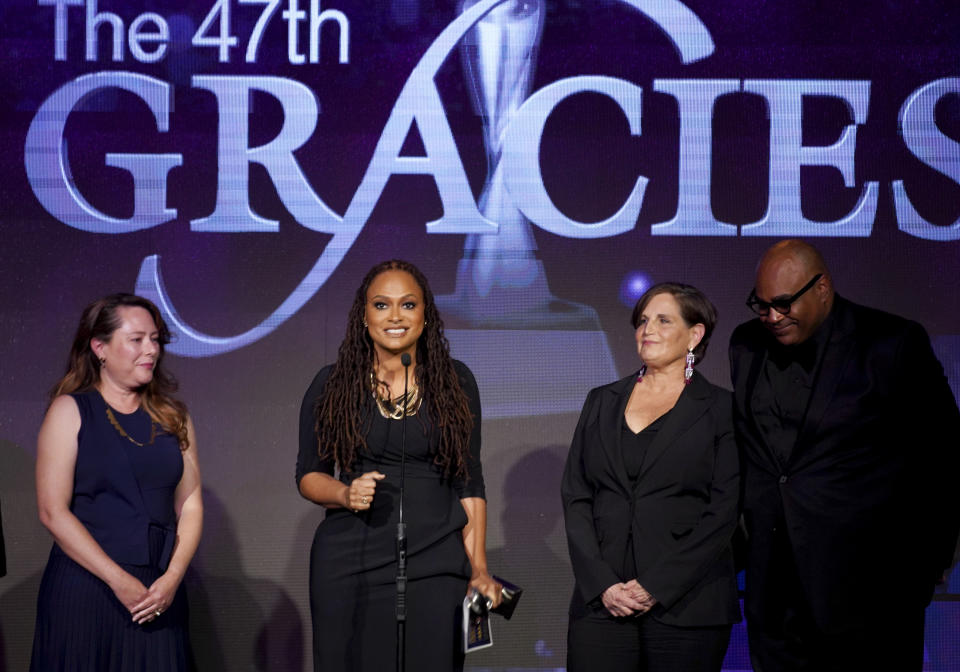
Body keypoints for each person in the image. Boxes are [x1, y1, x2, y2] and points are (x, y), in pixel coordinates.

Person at [729, 239, 960, 671]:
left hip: (870, 591)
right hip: (776, 590)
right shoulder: (745, 344)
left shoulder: (891, 343)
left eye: (782, 304)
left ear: (822, 288)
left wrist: (928, 564)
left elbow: (944, 455)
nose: (772, 317)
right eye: (761, 305)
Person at [296, 259, 501, 672]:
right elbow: (308, 475)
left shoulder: (455, 383)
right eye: (381, 305)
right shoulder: (331, 384)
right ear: (364, 316)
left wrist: (478, 568)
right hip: (351, 561)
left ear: (426, 317)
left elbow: (469, 481)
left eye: (408, 305)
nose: (394, 316)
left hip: (435, 560)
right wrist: (343, 493)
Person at [562, 283, 740, 672]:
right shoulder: (601, 401)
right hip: (603, 603)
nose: (648, 329)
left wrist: (656, 586)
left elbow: (723, 510)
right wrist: (603, 583)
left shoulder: (722, 409)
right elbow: (576, 496)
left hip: (688, 605)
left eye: (663, 320)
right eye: (642, 321)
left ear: (695, 334)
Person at [30, 294, 202, 671]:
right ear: (100, 348)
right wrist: (117, 580)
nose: (150, 350)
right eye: (137, 339)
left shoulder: (174, 417)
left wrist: (172, 578)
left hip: (157, 592)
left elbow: (190, 503)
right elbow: (52, 511)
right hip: (88, 588)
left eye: (155, 339)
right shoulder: (71, 410)